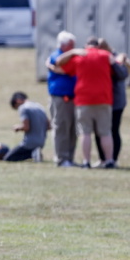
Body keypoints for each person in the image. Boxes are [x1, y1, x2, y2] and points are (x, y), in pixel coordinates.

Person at [54, 37, 116, 168]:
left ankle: (86, 161)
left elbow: (59, 66)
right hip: (104, 98)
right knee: (105, 132)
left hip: (84, 100)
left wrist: (72, 53)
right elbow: (117, 68)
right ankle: (109, 160)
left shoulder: (80, 56)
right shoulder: (105, 55)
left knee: (85, 132)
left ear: (86, 45)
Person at [45, 31, 77, 167]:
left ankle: (69, 157)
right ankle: (61, 158)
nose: (74, 47)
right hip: (61, 98)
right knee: (62, 128)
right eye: (71, 44)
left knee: (72, 129)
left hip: (72, 98)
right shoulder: (57, 56)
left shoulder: (70, 56)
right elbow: (63, 69)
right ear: (64, 45)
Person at [95, 39, 128, 166]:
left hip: (116, 102)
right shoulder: (99, 58)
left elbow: (122, 74)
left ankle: (113, 159)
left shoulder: (115, 57)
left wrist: (113, 63)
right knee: (100, 131)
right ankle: (102, 159)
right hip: (102, 101)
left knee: (113, 130)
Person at [1, 91, 50, 162]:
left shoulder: (23, 108)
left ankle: (33, 154)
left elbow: (26, 127)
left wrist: (18, 127)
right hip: (41, 143)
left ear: (18, 101)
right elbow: (49, 126)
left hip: (29, 143)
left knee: (8, 158)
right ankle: (36, 152)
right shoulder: (39, 107)